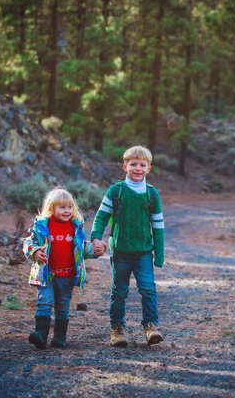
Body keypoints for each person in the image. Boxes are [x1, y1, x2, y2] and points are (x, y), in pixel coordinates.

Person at [91, 145, 165, 347]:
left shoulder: (151, 194)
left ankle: (151, 327)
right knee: (119, 292)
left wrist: (159, 253)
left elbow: (158, 226)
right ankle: (117, 329)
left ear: (149, 168)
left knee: (148, 289)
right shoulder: (116, 191)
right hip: (121, 251)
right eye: (133, 164)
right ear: (125, 166)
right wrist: (96, 238)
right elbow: (101, 217)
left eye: (142, 165)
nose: (137, 168)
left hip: (143, 252)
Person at [23, 187, 106, 349]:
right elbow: (28, 243)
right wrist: (35, 251)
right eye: (61, 207)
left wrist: (95, 251)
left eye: (69, 207)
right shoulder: (42, 227)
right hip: (46, 274)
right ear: (51, 209)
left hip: (67, 275)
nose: (66, 210)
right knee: (44, 302)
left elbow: (81, 249)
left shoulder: (75, 228)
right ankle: (41, 334)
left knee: (62, 305)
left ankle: (59, 337)